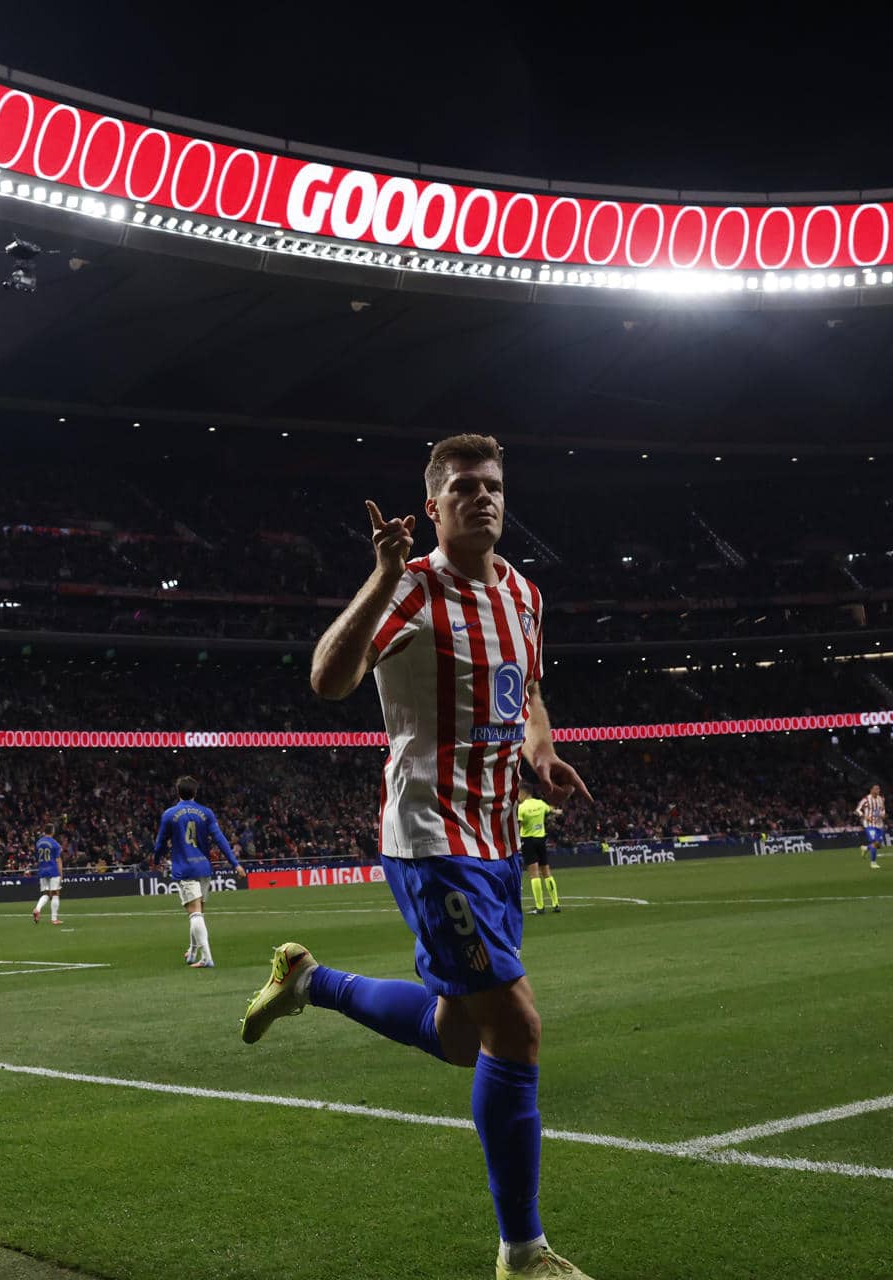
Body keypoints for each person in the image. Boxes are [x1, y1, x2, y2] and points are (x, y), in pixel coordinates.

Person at [240, 434, 595, 1280]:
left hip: (498, 840)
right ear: (433, 506)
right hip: (432, 838)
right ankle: (523, 1252)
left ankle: (309, 980)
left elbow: (532, 693)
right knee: (516, 1026)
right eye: (465, 488)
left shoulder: (524, 596)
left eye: (495, 486)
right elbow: (329, 678)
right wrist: (382, 574)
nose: (484, 498)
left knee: (460, 1038)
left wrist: (542, 752)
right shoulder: (412, 591)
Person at [152, 777, 244, 968]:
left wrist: (155, 860)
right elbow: (220, 839)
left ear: (178, 792)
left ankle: (206, 957)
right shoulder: (206, 813)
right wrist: (235, 863)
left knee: (194, 914)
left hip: (185, 868)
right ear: (195, 792)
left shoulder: (169, 814)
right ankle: (193, 952)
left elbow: (160, 843)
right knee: (198, 913)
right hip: (203, 867)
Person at [515, 783, 562, 913]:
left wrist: (517, 842)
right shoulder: (540, 804)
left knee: (534, 874)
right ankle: (555, 904)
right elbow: (552, 810)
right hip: (541, 840)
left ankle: (540, 907)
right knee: (546, 872)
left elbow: (519, 825)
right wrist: (557, 811)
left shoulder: (522, 808)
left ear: (523, 793)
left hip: (528, 841)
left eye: (518, 793)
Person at [32, 825, 63, 925]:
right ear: (52, 831)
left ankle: (37, 909)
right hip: (53, 870)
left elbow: (37, 857)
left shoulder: (38, 843)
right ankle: (54, 919)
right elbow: (58, 860)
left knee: (46, 894)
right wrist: (61, 874)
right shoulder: (55, 844)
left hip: (42, 870)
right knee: (55, 893)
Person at [855, 784, 887, 870]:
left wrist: (883, 815)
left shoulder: (881, 799)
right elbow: (857, 810)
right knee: (874, 842)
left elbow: (883, 809)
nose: (878, 790)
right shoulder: (866, 799)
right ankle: (873, 863)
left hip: (879, 824)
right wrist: (865, 816)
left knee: (878, 845)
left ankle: (865, 848)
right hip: (869, 825)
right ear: (871, 790)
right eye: (876, 789)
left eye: (879, 789)